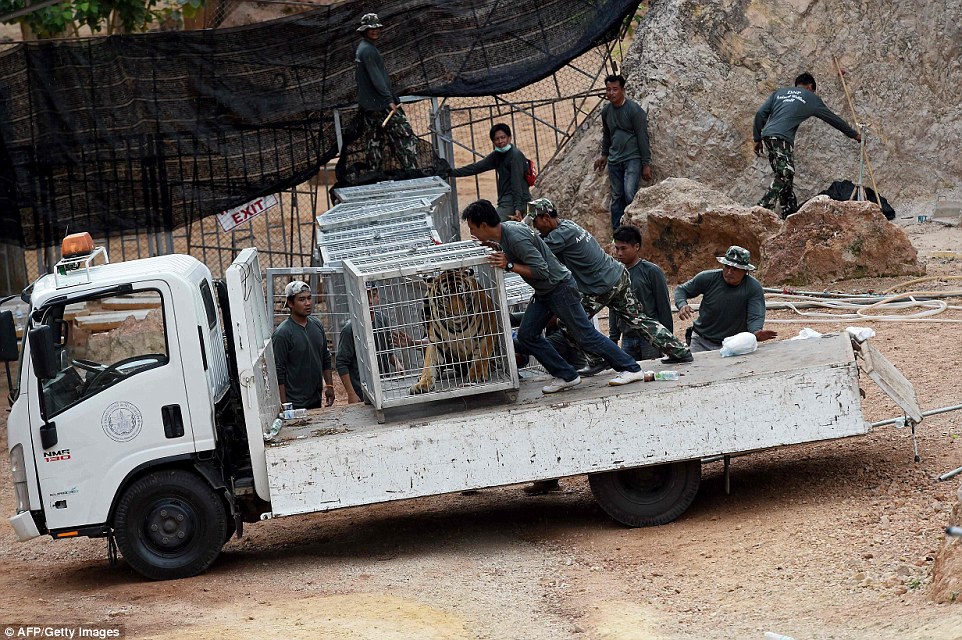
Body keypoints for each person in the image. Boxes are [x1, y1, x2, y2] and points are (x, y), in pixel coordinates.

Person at [461, 199, 649, 394]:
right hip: (545, 291)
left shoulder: (515, 237)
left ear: (484, 225)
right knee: (527, 335)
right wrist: (495, 248)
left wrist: (508, 265)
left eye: (472, 228)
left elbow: (541, 270)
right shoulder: (506, 233)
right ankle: (567, 375)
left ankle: (631, 368)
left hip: (559, 288)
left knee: (585, 334)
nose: (472, 233)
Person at [525, 198, 692, 376]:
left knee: (568, 323)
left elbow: (531, 250)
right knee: (639, 320)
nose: (535, 227)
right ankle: (679, 351)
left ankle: (597, 359)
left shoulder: (558, 237)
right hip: (617, 276)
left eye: (535, 222)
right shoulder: (568, 226)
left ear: (546, 218)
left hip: (601, 286)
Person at [753, 72, 861, 217]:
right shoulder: (811, 98)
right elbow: (833, 119)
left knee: (785, 178)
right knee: (786, 173)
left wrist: (757, 138)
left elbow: (760, 114)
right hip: (782, 138)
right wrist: (854, 135)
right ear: (810, 87)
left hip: (767, 136)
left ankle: (788, 212)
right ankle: (762, 208)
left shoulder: (779, 93)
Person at [673, 246, 778, 353]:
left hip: (733, 344)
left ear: (745, 271)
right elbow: (681, 290)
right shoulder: (708, 278)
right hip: (701, 340)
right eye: (727, 267)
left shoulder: (753, 287)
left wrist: (756, 333)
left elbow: (755, 315)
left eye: (735, 269)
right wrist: (682, 304)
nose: (729, 272)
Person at [355, 13, 418, 172]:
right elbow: (377, 78)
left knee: (374, 141)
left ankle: (373, 174)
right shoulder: (368, 51)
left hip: (369, 106)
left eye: (377, 28)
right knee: (404, 136)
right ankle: (412, 171)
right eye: (371, 28)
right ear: (364, 30)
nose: (375, 31)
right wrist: (388, 100)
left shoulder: (363, 48)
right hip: (381, 104)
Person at [593, 74, 652, 232]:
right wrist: (604, 155)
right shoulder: (606, 111)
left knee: (629, 194)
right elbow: (607, 135)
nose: (611, 93)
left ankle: (634, 232)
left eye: (615, 89)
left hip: (632, 158)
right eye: (608, 90)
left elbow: (642, 136)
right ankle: (617, 233)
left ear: (623, 90)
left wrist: (646, 163)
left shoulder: (634, 110)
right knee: (617, 197)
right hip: (614, 160)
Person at [336, 285, 412, 404]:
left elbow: (388, 351)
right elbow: (341, 363)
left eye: (374, 295)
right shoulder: (350, 329)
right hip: (362, 391)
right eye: (366, 297)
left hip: (384, 387)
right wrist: (351, 394)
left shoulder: (383, 319)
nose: (370, 301)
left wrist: (397, 364)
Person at [610, 224, 673, 361]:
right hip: (627, 338)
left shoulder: (651, 272)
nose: (619, 253)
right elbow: (613, 306)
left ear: (636, 247)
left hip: (649, 337)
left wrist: (668, 341)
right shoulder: (616, 273)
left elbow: (663, 307)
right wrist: (613, 338)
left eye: (623, 248)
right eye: (617, 248)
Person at [449, 123, 532, 222]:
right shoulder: (497, 155)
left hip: (516, 202)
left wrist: (518, 208)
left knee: (493, 225)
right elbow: (476, 167)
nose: (500, 141)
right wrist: (451, 172)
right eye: (497, 139)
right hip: (506, 201)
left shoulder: (515, 156)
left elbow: (516, 182)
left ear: (509, 138)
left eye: (503, 137)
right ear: (493, 141)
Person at [273, 281, 335, 409]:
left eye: (309, 298)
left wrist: (329, 386)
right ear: (290, 303)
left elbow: (325, 356)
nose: (307, 303)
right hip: (295, 402)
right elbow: (278, 371)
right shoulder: (283, 333)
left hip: (315, 398)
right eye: (302, 300)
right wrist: (284, 405)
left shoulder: (316, 325)